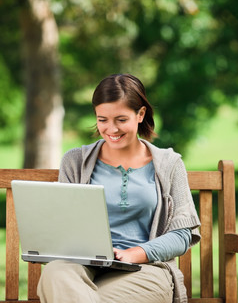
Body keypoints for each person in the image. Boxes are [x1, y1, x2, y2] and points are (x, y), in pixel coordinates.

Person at [37, 73, 200, 303]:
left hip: (146, 269)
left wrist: (136, 253)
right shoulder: (74, 161)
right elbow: (65, 224)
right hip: (82, 266)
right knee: (55, 273)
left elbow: (183, 234)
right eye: (102, 119)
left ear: (140, 114)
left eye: (121, 119)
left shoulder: (169, 164)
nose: (111, 129)